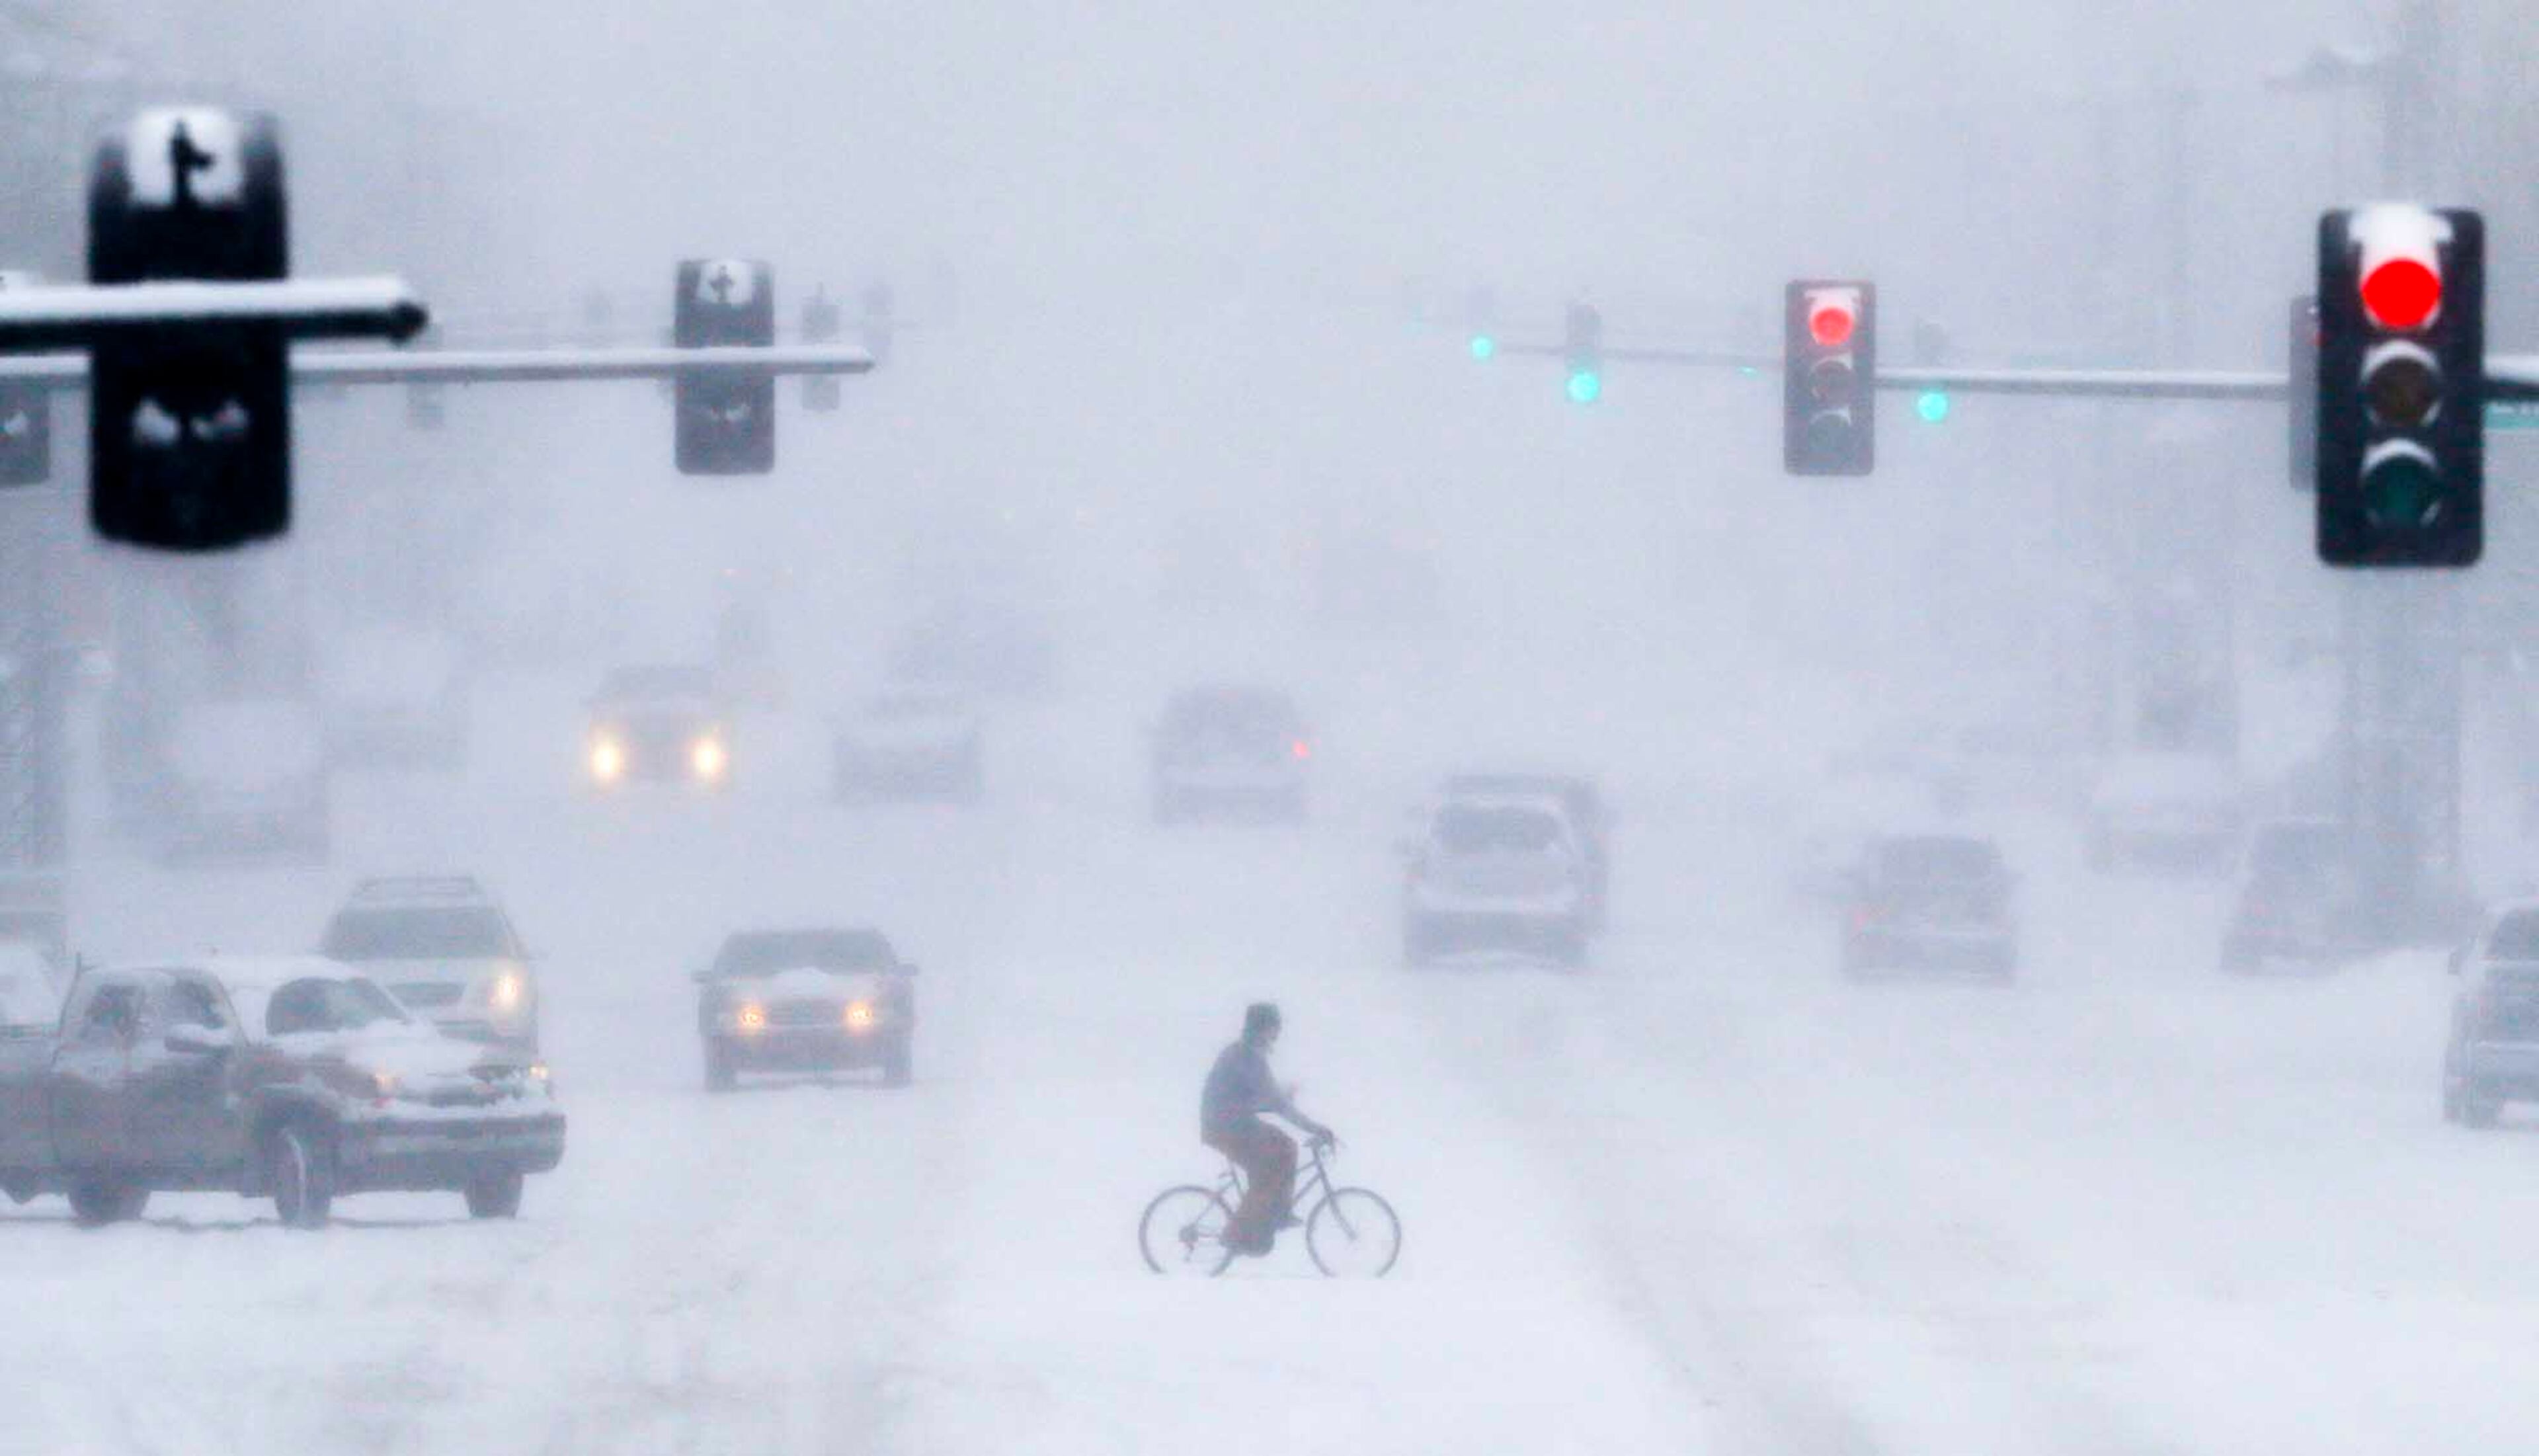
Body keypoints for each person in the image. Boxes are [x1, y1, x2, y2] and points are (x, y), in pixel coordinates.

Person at [1200, 1002, 1332, 1256]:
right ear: (1262, 1028)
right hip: (1225, 1126)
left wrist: (1282, 1098)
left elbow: (1260, 1096)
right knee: (1267, 1171)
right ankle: (1238, 1233)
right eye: (1274, 1028)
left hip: (1233, 1122)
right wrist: (1314, 1128)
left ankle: (1277, 1214)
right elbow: (1274, 1102)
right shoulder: (1246, 1056)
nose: (1277, 1034)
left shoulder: (1248, 1054)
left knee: (1286, 1148)